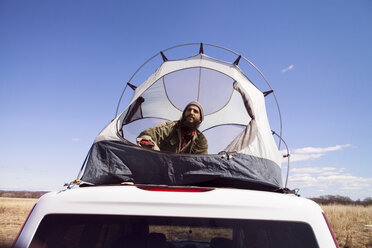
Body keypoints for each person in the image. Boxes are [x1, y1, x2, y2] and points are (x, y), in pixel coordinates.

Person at [136, 101, 208, 154]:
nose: (191, 112)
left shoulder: (201, 140)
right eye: (189, 110)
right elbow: (145, 136)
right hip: (160, 168)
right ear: (184, 114)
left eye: (195, 111)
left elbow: (202, 161)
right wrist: (158, 156)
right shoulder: (170, 127)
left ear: (200, 120)